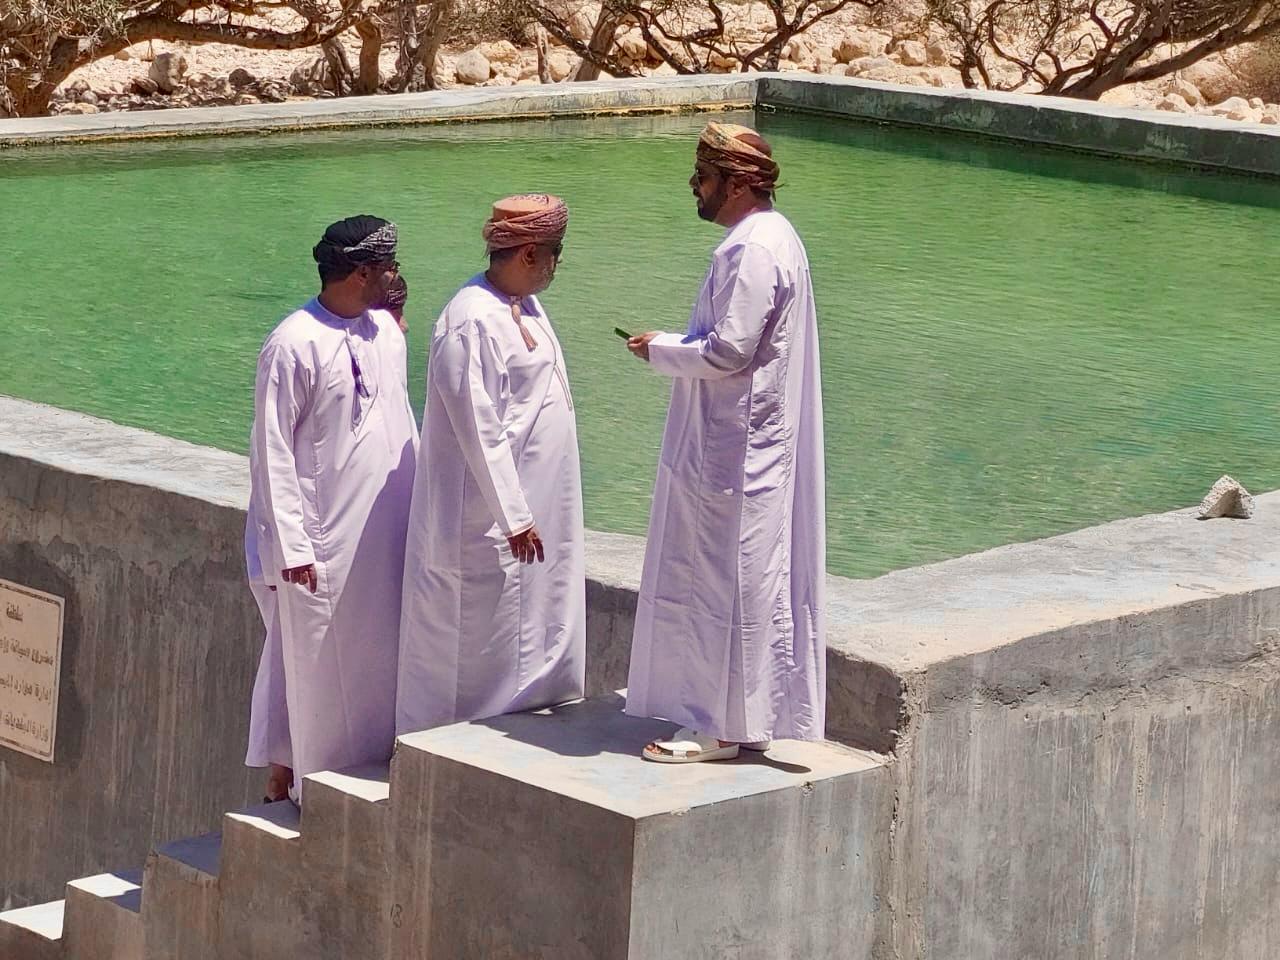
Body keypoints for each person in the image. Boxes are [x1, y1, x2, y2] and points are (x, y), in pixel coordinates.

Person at [623, 122, 826, 763]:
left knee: (722, 580)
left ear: (737, 184)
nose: (694, 186)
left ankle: (716, 726)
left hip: (735, 452)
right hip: (748, 445)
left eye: (703, 177)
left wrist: (659, 349)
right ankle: (744, 719)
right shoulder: (774, 237)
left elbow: (729, 350)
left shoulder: (752, 249)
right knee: (745, 580)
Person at [396, 194, 585, 735]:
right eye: (554, 253)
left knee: (525, 627)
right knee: (471, 644)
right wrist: (514, 516)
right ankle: (443, 745)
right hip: (485, 519)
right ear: (529, 253)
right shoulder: (471, 320)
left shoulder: (523, 306)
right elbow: (477, 425)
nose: (557, 265)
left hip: (533, 508)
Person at [245, 215, 419, 803]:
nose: (394, 276)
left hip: (386, 534)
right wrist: (292, 546)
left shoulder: (386, 333)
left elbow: (403, 424)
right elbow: (271, 451)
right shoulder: (293, 342)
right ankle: (312, 788)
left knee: (379, 663)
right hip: (321, 545)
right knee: (318, 670)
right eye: (388, 266)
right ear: (362, 272)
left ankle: (367, 777)